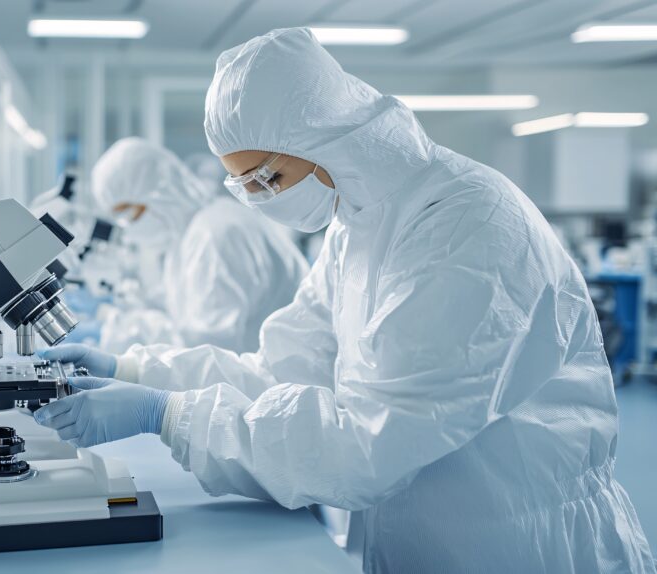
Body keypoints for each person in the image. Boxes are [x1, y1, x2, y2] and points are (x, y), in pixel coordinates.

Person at [34, 28, 656, 573]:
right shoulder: (358, 223)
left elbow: (369, 443)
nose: (259, 201)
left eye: (268, 179)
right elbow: (283, 368)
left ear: (331, 136)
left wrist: (165, 415)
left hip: (522, 544)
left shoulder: (467, 229)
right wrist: (137, 372)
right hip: (425, 532)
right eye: (243, 185)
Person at [82, 136, 308, 354]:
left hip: (274, 383)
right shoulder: (191, 235)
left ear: (159, 193)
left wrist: (114, 331)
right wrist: (124, 311)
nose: (130, 231)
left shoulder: (214, 235)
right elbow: (183, 310)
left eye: (130, 215)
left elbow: (205, 346)